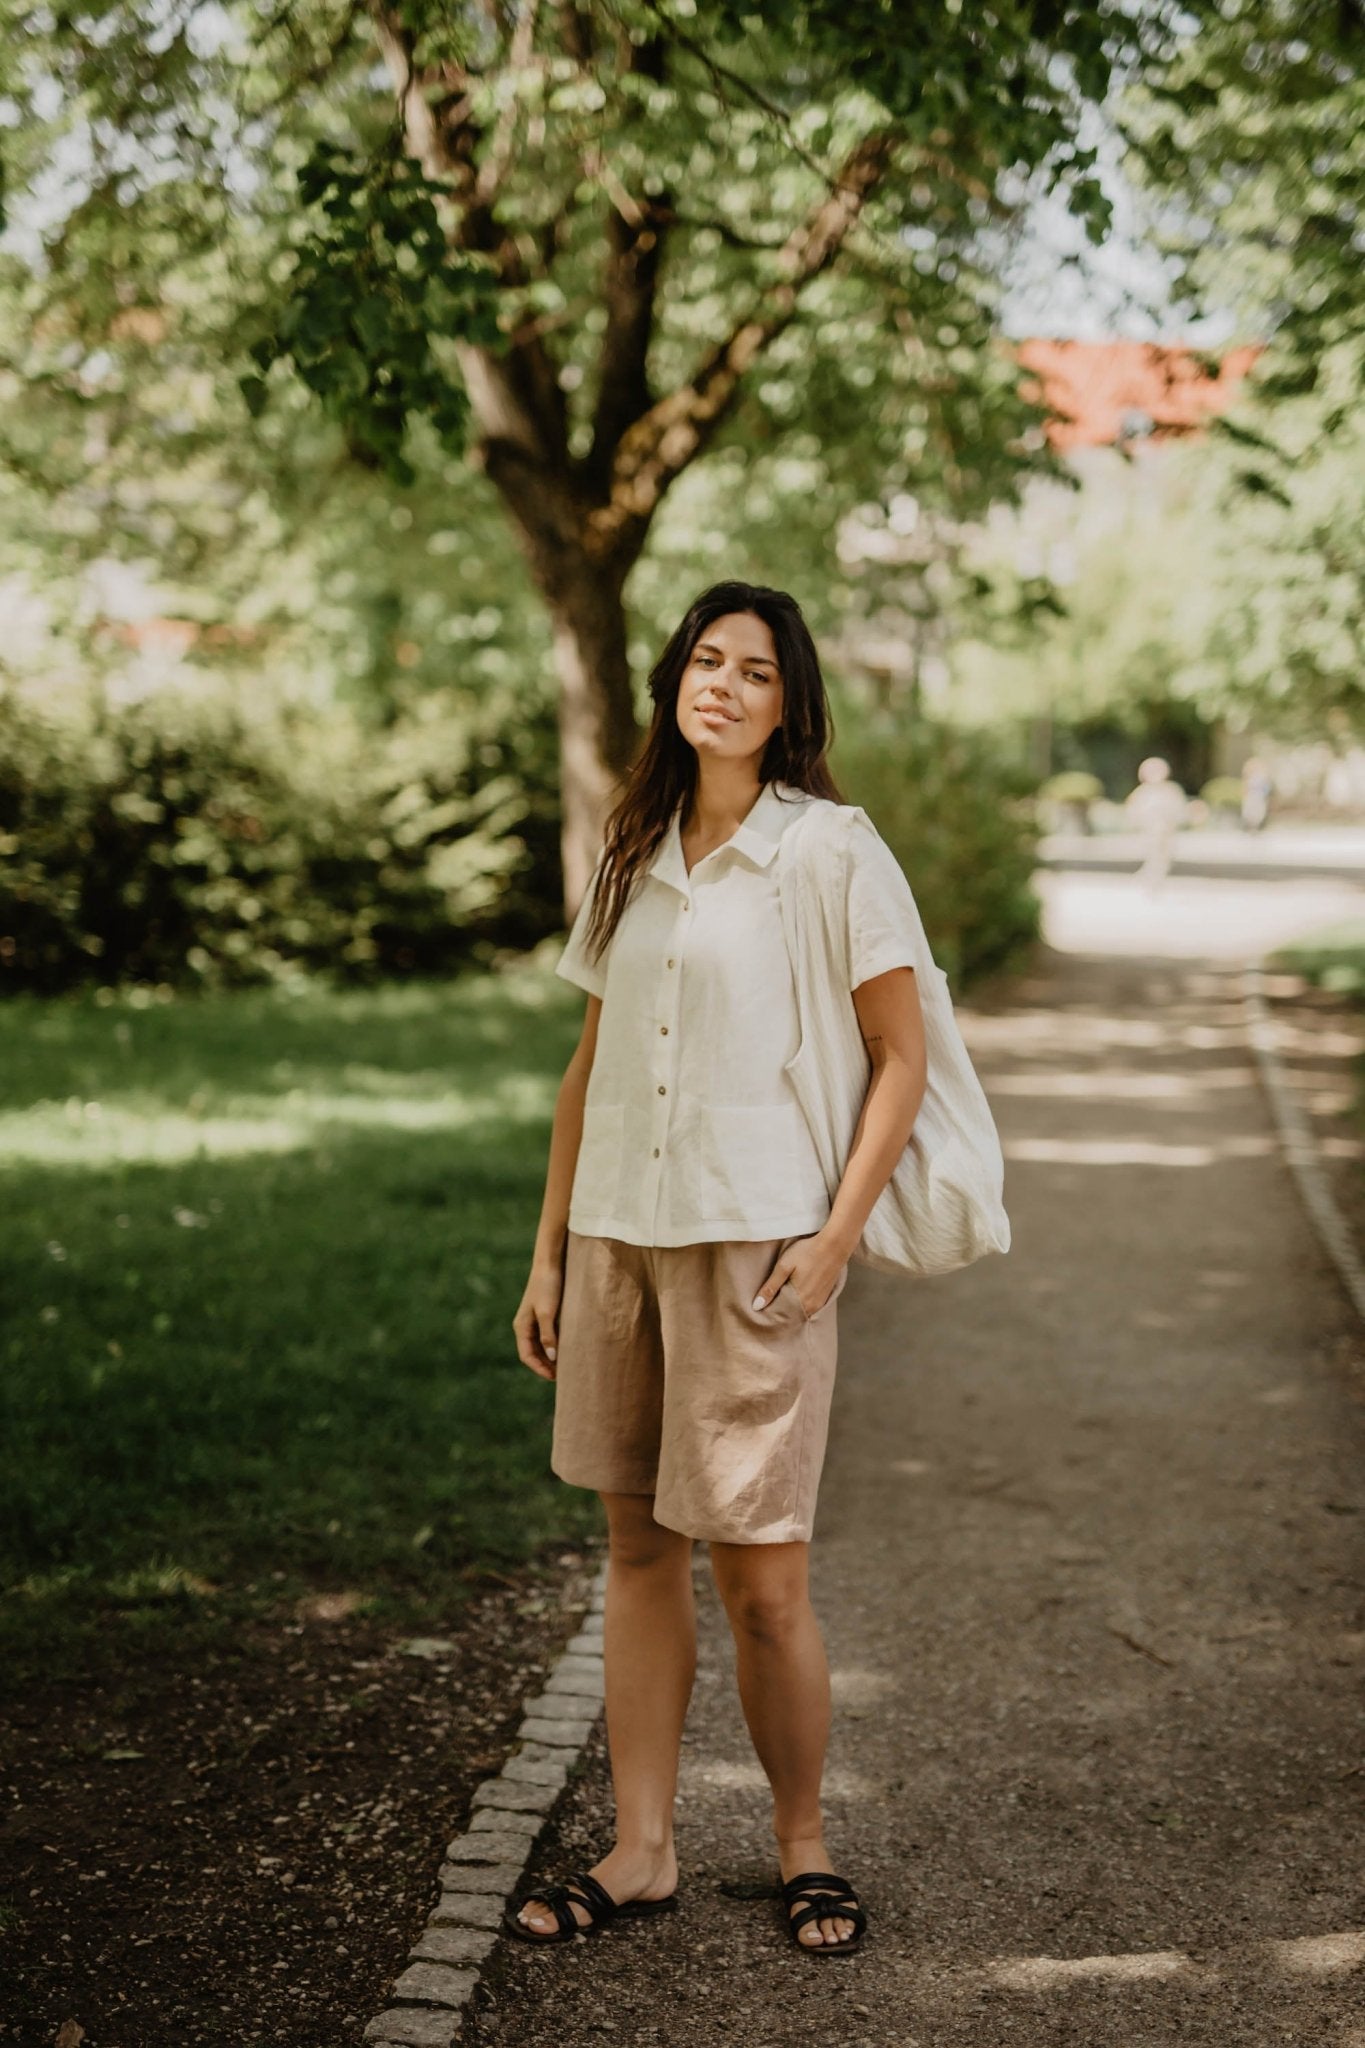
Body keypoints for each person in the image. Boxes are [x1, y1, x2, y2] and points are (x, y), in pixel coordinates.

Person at [508, 581, 928, 1956]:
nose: (725, 685)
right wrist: (550, 1254)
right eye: (706, 660)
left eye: (756, 671)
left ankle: (802, 1845)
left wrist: (833, 1237)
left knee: (763, 1578)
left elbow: (899, 1061)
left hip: (757, 1243)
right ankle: (642, 1850)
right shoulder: (632, 846)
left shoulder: (830, 849)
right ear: (674, 685)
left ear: (788, 707)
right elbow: (589, 1068)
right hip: (619, 1235)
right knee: (637, 1552)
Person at [1124, 754, 1188, 891]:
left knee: (1165, 857)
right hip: (1150, 830)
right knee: (1153, 855)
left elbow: (1179, 810)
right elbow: (1133, 811)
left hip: (1167, 830)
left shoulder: (1171, 790)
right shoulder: (1142, 792)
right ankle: (1150, 881)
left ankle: (1154, 879)